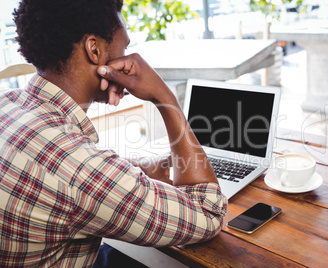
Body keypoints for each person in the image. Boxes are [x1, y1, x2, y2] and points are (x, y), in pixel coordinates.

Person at [0, 0, 227, 267]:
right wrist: (163, 96)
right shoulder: (79, 169)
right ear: (94, 50)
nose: (128, 55)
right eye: (126, 46)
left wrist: (135, 170)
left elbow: (52, 169)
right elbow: (209, 213)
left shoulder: (8, 104)